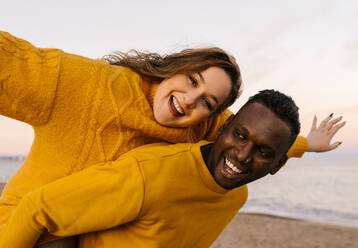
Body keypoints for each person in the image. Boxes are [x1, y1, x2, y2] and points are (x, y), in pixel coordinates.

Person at [0, 31, 338, 247]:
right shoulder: (87, 84)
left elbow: (254, 143)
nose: (192, 100)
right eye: (193, 80)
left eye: (208, 101)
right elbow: (14, 64)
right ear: (174, 66)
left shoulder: (198, 126)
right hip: (25, 227)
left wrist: (308, 143)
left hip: (79, 232)